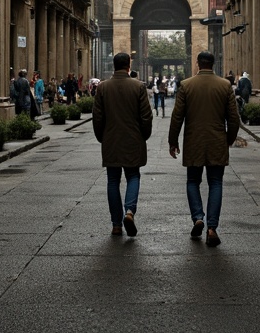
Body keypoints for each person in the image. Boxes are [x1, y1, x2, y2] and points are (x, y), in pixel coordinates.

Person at [168, 50, 241, 248]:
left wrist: (172, 141)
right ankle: (212, 228)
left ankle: (198, 217)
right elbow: (234, 119)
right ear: (214, 63)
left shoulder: (186, 85)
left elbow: (177, 117)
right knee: (216, 182)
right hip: (217, 140)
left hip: (194, 142)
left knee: (193, 181)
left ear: (198, 64)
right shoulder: (225, 85)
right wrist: (229, 139)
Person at [92, 51, 153, 237]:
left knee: (113, 180)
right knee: (133, 175)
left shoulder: (103, 88)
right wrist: (144, 135)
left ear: (113, 66)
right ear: (129, 66)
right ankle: (129, 211)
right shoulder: (138, 87)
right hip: (134, 140)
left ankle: (116, 224)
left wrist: (102, 137)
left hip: (111, 140)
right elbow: (146, 116)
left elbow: (97, 117)